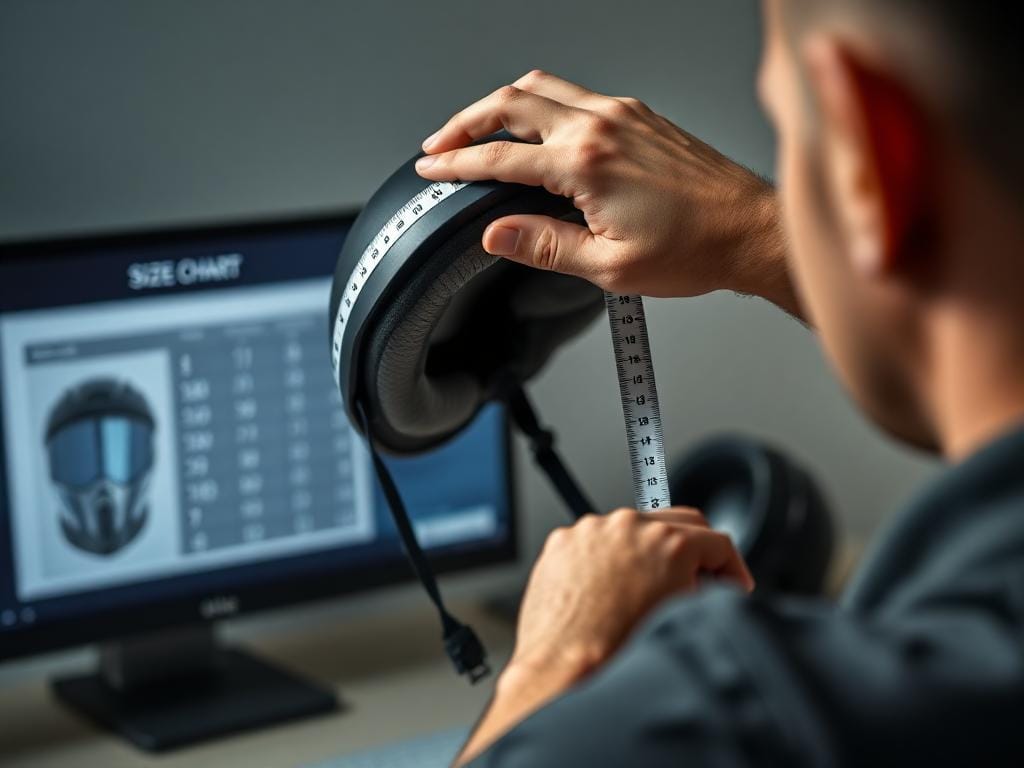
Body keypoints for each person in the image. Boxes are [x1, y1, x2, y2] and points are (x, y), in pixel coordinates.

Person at [416, 0, 1024, 765]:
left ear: (874, 150)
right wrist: (758, 227)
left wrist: (550, 664)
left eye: (788, 129)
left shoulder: (739, 716)